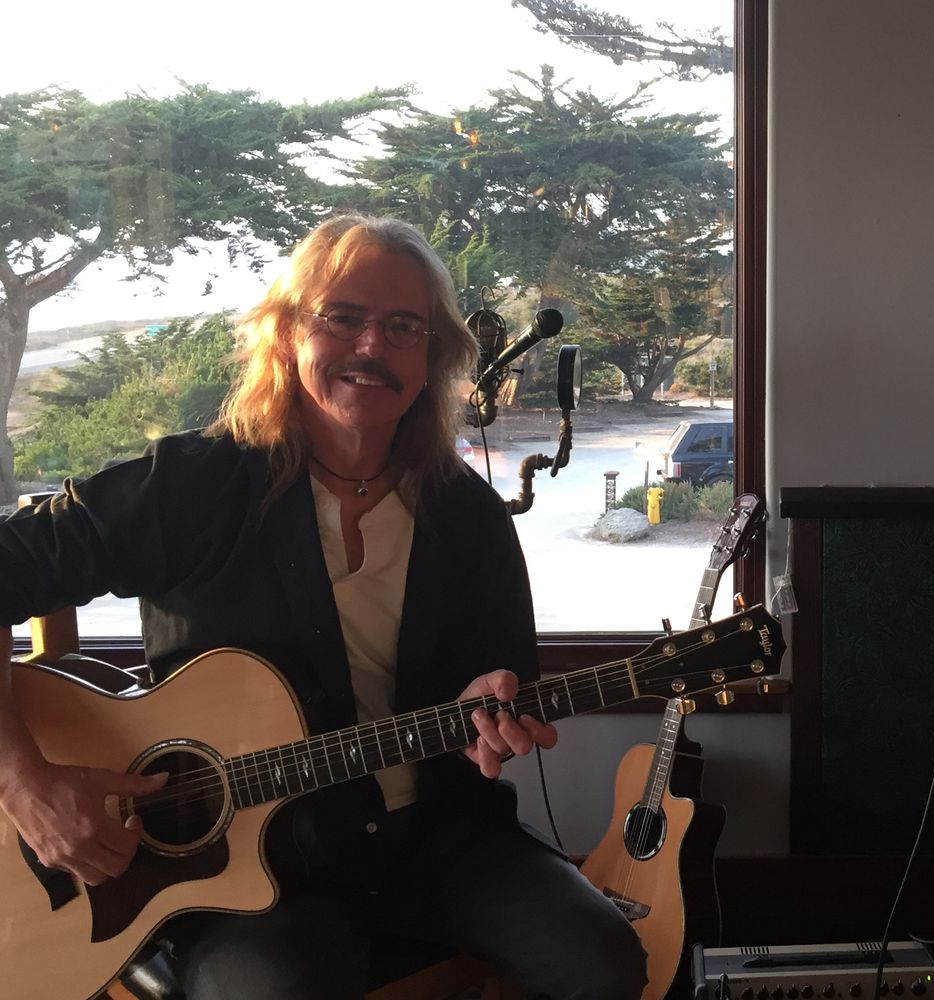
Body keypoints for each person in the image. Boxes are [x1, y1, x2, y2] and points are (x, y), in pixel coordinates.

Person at [0, 214, 647, 999]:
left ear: (431, 358)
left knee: (602, 960)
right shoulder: (189, 488)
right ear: (284, 333)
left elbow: (498, 691)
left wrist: (488, 716)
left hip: (437, 839)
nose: (372, 346)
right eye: (342, 316)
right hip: (234, 868)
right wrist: (23, 782)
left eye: (403, 327)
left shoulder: (468, 516)